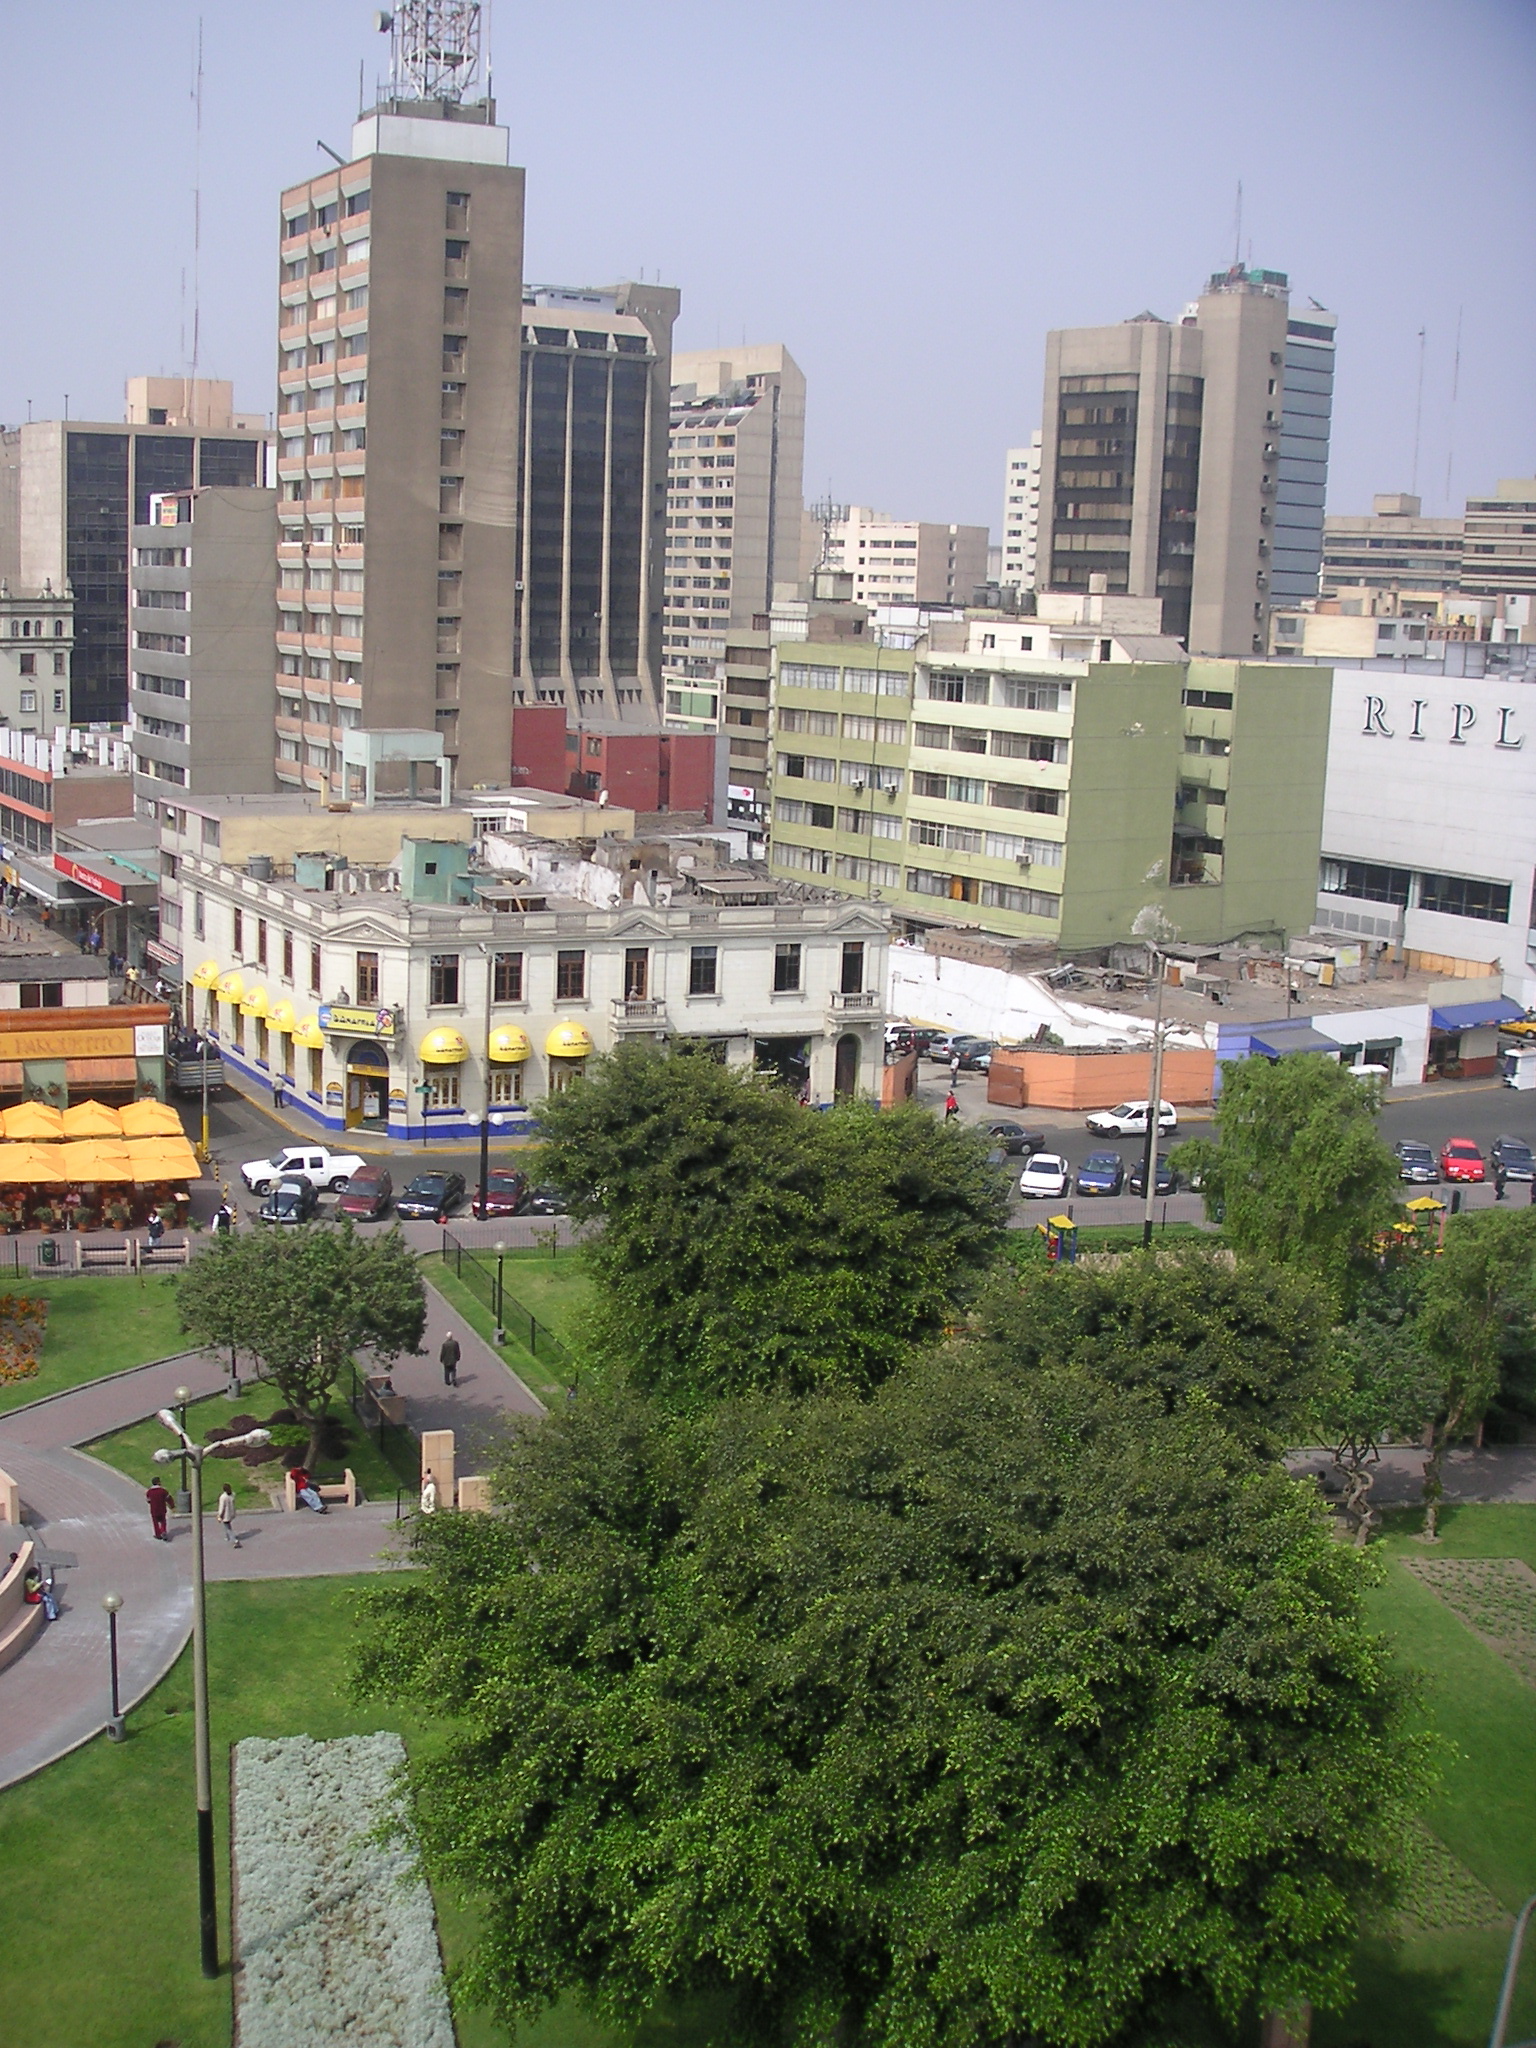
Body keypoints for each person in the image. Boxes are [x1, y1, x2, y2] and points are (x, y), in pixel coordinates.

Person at [217, 1481, 241, 1548]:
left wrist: (219, 1515)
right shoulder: (232, 1494)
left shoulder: (223, 1497)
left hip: (226, 1515)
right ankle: (227, 1537)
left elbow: (222, 1508)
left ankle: (235, 1540)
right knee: (226, 1525)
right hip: (231, 1513)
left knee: (228, 1528)